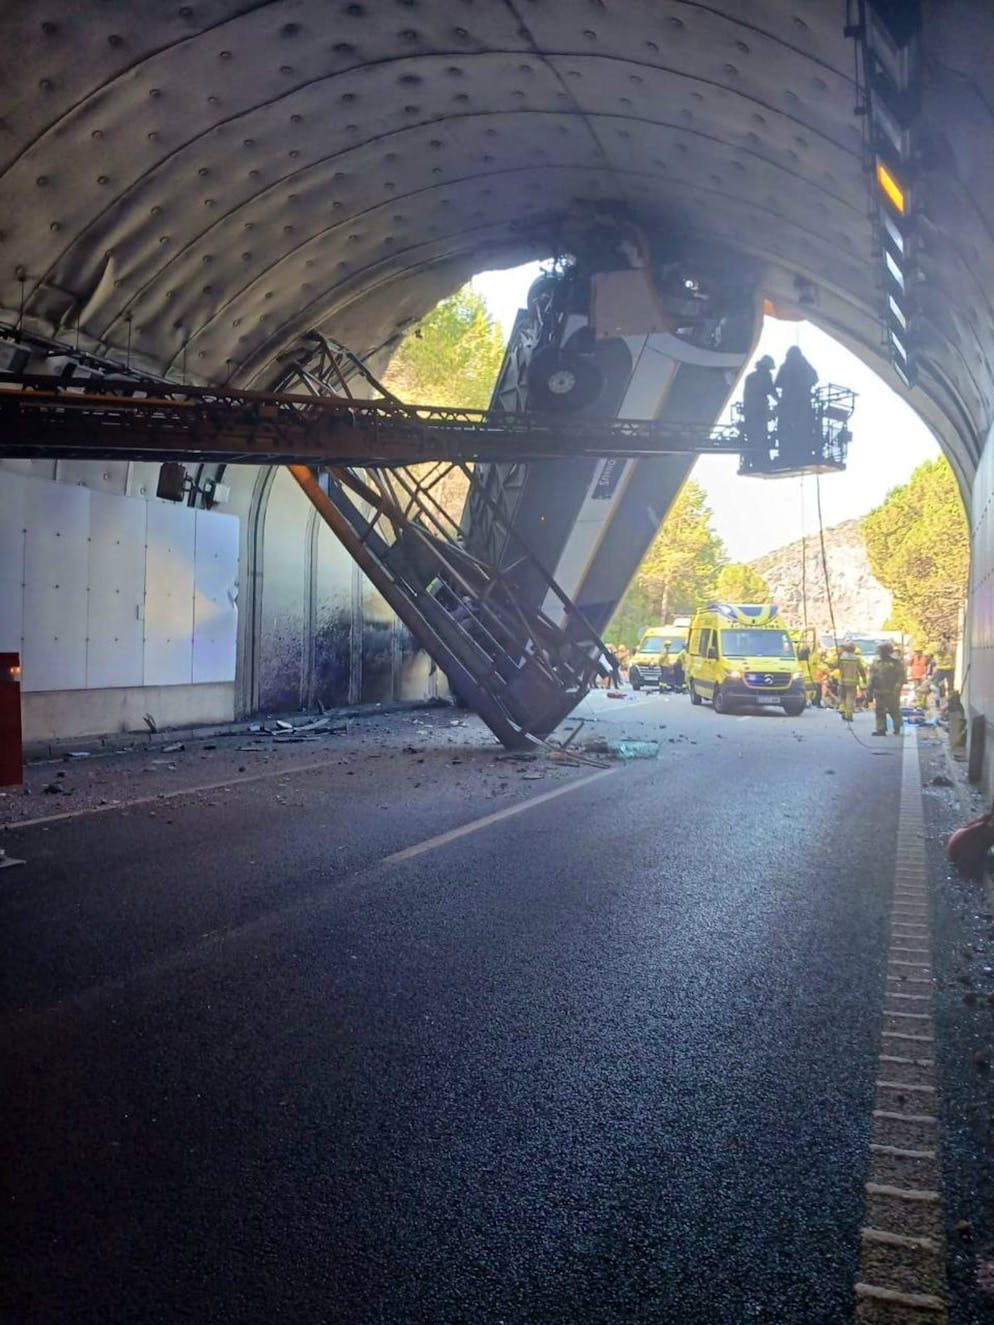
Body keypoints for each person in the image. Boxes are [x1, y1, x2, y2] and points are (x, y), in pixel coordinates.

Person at [774, 345, 818, 461]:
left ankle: (785, 452)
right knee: (803, 428)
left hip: (788, 404)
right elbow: (815, 378)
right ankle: (803, 451)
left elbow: (777, 383)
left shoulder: (785, 366)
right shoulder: (805, 365)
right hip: (803, 404)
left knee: (785, 429)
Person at [869, 641, 907, 735]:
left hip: (891, 690)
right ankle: (881, 729)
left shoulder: (895, 662)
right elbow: (872, 675)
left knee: (893, 709)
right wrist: (869, 687)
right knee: (879, 710)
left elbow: (901, 675)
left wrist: (898, 685)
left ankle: (897, 725)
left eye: (881, 651)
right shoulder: (876, 662)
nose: (880, 653)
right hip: (879, 689)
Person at [741, 354, 777, 451]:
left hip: (749, 410)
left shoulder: (750, 377)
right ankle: (760, 451)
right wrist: (781, 402)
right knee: (761, 434)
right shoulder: (766, 377)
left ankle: (752, 450)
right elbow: (771, 391)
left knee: (752, 434)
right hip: (760, 411)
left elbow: (746, 395)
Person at [836, 642, 866, 723]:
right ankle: (849, 715)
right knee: (850, 698)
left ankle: (843, 710)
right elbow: (861, 669)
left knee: (842, 696)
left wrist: (838, 657)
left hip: (842, 680)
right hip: (853, 681)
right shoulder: (856, 658)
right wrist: (864, 679)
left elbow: (836, 665)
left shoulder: (842, 657)